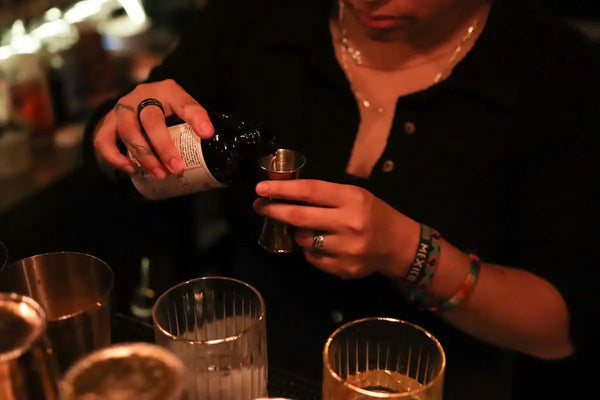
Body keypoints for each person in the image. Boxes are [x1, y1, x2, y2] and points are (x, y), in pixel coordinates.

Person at [88, 0, 598, 398]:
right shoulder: (255, 17)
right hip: (259, 370)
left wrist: (405, 251)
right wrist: (125, 129)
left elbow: (555, 330)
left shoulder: (556, 71)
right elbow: (120, 155)